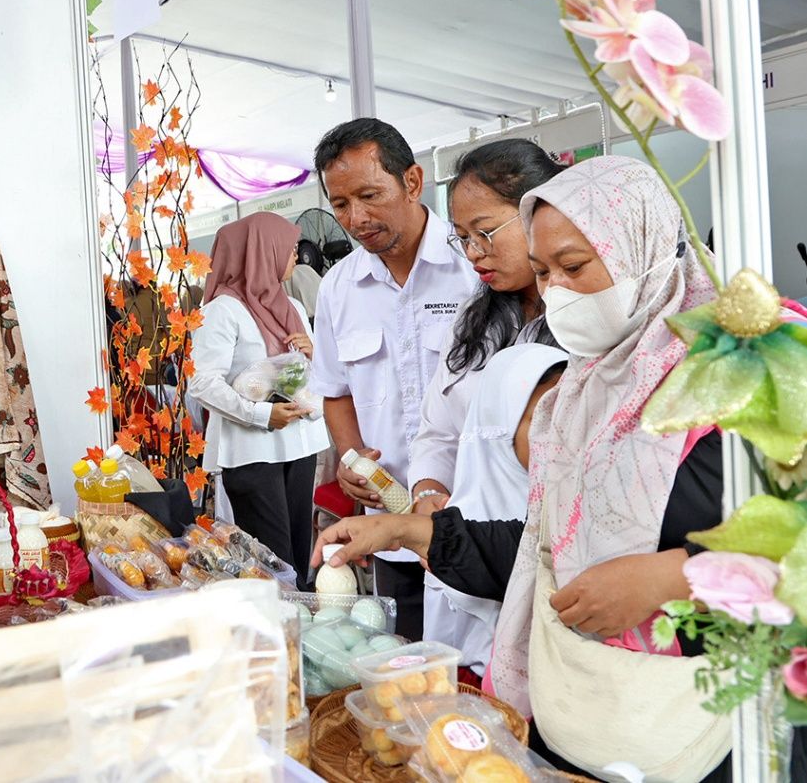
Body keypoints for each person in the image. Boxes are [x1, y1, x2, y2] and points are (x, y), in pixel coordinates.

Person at [312, 157, 736, 779]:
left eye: (574, 266)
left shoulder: (743, 377)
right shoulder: (585, 391)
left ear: (642, 249)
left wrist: (676, 577)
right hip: (590, 712)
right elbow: (543, 549)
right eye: (542, 272)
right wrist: (409, 530)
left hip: (714, 723)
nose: (556, 292)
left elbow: (789, 546)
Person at [309, 118, 477, 639]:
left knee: (477, 661)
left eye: (369, 195)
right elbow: (336, 391)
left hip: (473, 516)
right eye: (340, 204)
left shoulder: (474, 265)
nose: (356, 219)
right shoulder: (339, 288)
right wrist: (350, 459)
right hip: (389, 527)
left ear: (412, 181)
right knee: (405, 657)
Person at [406, 140, 565, 661]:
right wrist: (429, 490)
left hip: (539, 562)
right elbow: (438, 429)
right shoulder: (473, 322)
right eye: (462, 238)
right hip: (458, 557)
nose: (474, 252)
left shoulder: (585, 323)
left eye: (486, 232)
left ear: (539, 213)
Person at [189, 212, 329, 582]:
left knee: (299, 559)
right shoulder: (222, 311)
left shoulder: (292, 306)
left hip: (300, 447)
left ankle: (302, 617)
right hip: (254, 454)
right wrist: (261, 415)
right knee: (272, 564)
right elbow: (202, 383)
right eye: (288, 248)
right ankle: (280, 619)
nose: (295, 256)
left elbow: (312, 376)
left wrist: (313, 354)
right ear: (263, 251)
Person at [422, 342, 567, 683]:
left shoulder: (579, 510)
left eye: (569, 415)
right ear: (500, 428)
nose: (561, 434)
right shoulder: (451, 537)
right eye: (542, 419)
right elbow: (446, 661)